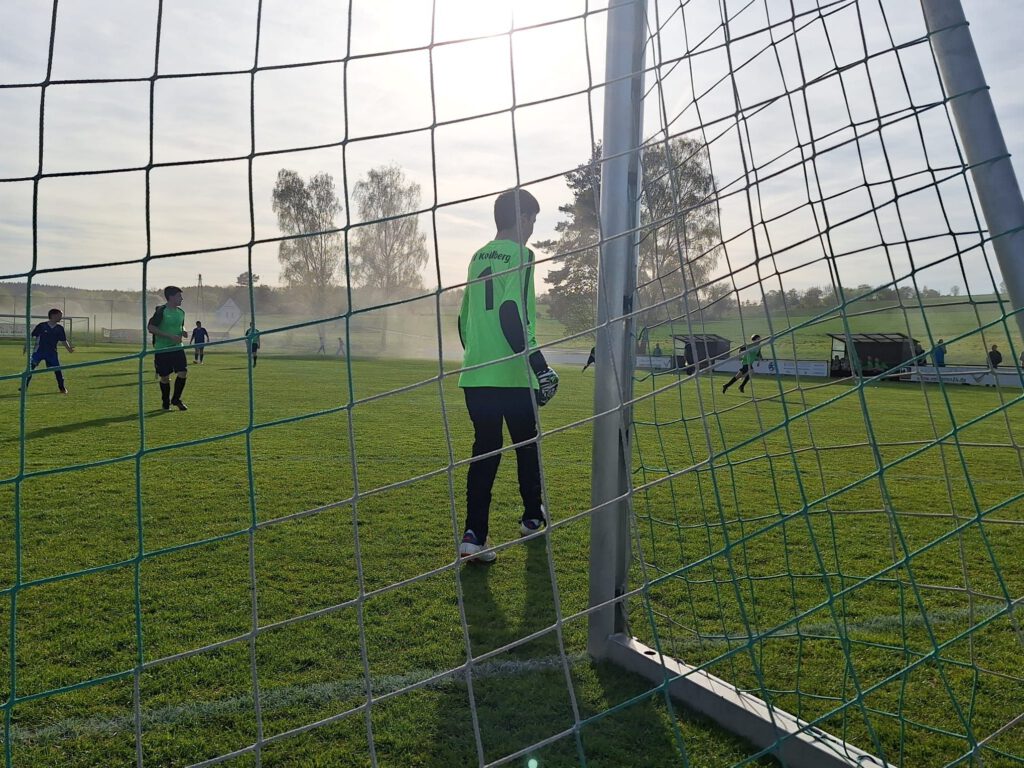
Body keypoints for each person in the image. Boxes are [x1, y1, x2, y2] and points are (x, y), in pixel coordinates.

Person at [457, 188, 558, 563]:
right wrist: (540, 367)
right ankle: (532, 518)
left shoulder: (477, 256)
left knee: (485, 449)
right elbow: (511, 312)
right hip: (513, 375)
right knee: (526, 445)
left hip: (476, 375)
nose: (532, 228)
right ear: (523, 218)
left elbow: (463, 319)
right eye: (533, 219)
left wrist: (478, 356)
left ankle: (473, 537)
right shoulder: (522, 255)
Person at [148, 286, 189, 411]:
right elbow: (151, 328)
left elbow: (180, 326)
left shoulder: (181, 312)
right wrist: (170, 336)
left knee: (183, 373)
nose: (182, 298)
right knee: (165, 378)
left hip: (177, 348)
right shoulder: (161, 311)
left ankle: (176, 399)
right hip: (162, 349)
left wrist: (183, 331)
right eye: (179, 296)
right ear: (171, 297)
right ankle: (165, 402)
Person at [22, 308, 74, 394]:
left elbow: (63, 340)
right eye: (60, 315)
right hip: (38, 352)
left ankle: (62, 388)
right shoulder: (41, 326)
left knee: (58, 370)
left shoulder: (59, 328)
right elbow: (31, 336)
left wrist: (69, 349)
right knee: (30, 369)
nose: (61, 317)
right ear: (53, 315)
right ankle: (24, 387)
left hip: (52, 353)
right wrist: (25, 346)